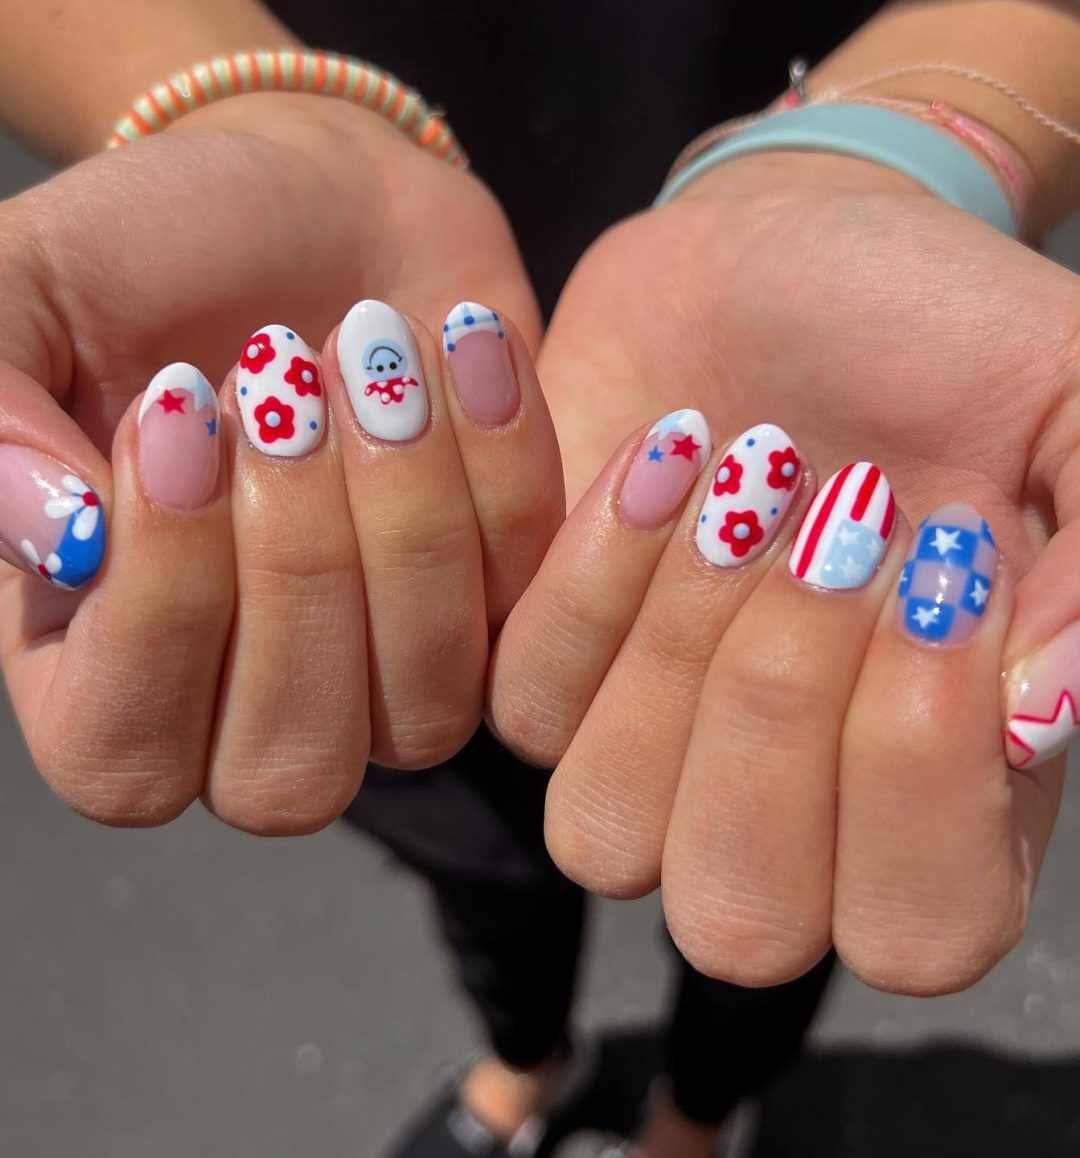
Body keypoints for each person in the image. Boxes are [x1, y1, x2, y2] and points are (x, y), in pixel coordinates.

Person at [0, 1, 1079, 1156]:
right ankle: (530, 1058)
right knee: (482, 873)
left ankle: (700, 1111)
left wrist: (876, 161)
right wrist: (250, 110)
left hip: (804, 397)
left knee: (786, 860)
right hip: (369, 565)